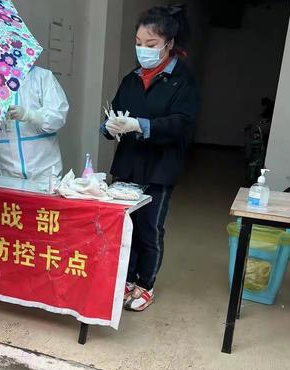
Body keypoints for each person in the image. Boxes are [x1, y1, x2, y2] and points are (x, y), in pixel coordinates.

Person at [101, 5, 200, 312]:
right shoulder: (132, 78)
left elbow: (182, 123)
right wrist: (110, 126)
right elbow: (114, 111)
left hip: (160, 166)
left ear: (169, 43)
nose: (142, 50)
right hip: (128, 163)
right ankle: (127, 278)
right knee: (125, 224)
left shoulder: (182, 79)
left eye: (151, 45)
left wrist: (141, 125)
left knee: (150, 227)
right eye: (138, 43)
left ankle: (146, 284)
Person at [0, 66, 69, 182]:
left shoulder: (42, 76)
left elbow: (58, 116)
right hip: (8, 164)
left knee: (42, 199)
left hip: (42, 166)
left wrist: (29, 115)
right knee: (11, 199)